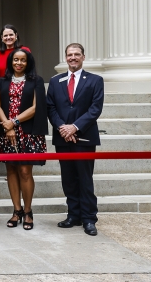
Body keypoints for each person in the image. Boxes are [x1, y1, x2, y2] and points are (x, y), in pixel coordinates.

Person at [47, 43, 104, 236]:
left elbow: (95, 109)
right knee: (68, 179)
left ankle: (89, 218)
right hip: (62, 138)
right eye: (69, 55)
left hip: (84, 138)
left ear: (83, 57)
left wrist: (75, 127)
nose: (73, 58)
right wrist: (63, 128)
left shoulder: (95, 80)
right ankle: (73, 215)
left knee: (85, 179)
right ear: (66, 57)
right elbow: (51, 108)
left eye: (76, 54)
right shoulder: (55, 81)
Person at [0, 49, 47, 231]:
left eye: (22, 60)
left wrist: (13, 122)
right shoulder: (3, 81)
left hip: (27, 132)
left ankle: (28, 211)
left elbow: (37, 107)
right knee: (11, 170)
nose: (19, 63)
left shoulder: (36, 81)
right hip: (5, 131)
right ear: (11, 62)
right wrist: (7, 126)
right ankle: (17, 210)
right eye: (15, 60)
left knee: (24, 171)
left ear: (28, 62)